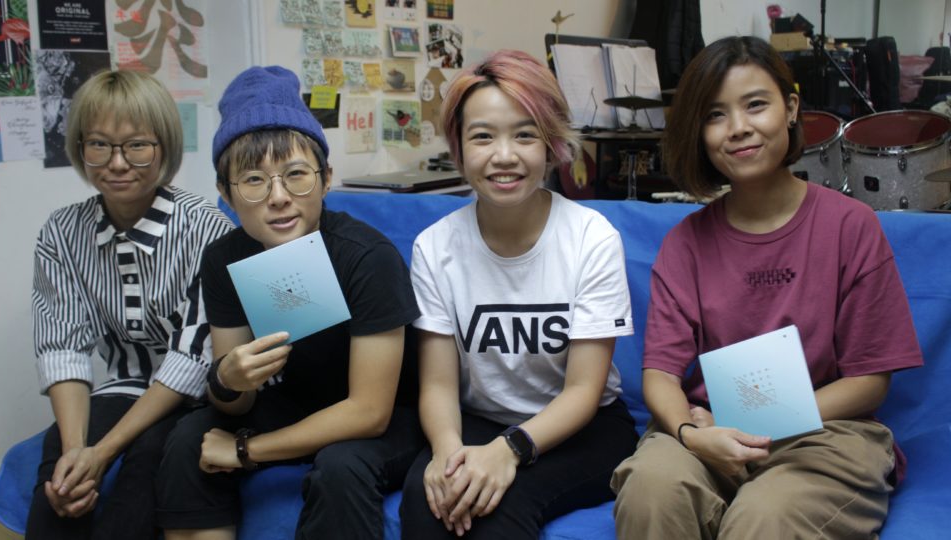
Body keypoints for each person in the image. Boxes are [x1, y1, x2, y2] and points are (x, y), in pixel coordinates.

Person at [610, 36, 924, 539]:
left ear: (791, 107)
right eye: (715, 115)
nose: (738, 129)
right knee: (651, 487)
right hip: (709, 429)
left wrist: (767, 424)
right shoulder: (685, 243)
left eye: (755, 105)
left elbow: (871, 379)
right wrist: (693, 434)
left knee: (765, 516)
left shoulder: (850, 226)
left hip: (826, 431)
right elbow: (660, 374)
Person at [154, 66, 425, 540]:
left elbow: (369, 411)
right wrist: (226, 380)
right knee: (185, 439)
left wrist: (246, 450)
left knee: (341, 465)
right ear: (226, 194)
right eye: (254, 180)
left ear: (325, 180)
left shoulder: (367, 256)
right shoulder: (225, 259)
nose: (279, 198)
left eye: (297, 175)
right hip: (294, 403)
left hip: (389, 418)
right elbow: (235, 403)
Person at [398, 50, 639, 539]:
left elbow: (582, 391)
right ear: (459, 149)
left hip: (583, 429)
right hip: (479, 421)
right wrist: (447, 452)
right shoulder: (435, 247)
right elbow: (440, 385)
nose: (504, 155)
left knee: (500, 509)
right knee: (428, 504)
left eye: (525, 134)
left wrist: (509, 452)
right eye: (482, 136)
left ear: (551, 147)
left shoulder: (591, 237)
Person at [26, 70, 234, 540]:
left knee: (149, 455)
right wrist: (79, 451)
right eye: (99, 144)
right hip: (122, 385)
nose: (117, 163)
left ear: (164, 147)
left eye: (137, 145)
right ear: (80, 148)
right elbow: (61, 347)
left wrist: (103, 454)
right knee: (58, 467)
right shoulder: (63, 232)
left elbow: (190, 361)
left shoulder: (208, 231)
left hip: (194, 397)